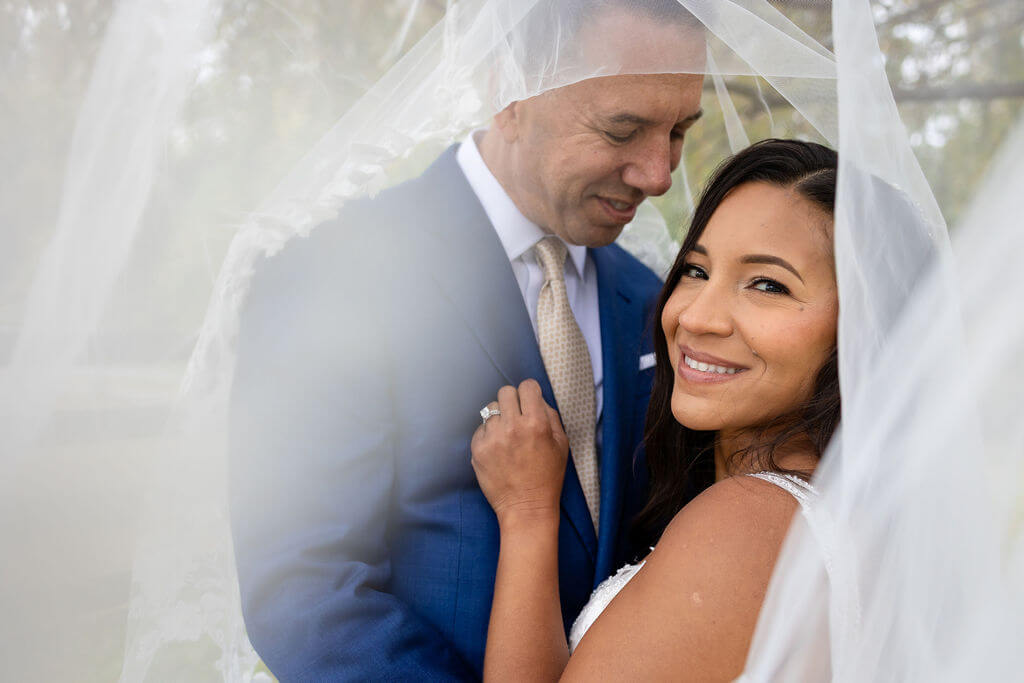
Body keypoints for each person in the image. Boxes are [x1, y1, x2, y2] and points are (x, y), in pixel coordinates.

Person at [228, 3, 705, 679]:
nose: (658, 175)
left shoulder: (651, 298)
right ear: (508, 91)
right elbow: (305, 588)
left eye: (680, 132)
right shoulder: (334, 270)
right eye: (622, 129)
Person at [471, 138, 841, 681]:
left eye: (768, 284)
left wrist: (528, 514)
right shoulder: (839, 516)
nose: (697, 317)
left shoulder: (749, 522)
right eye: (695, 270)